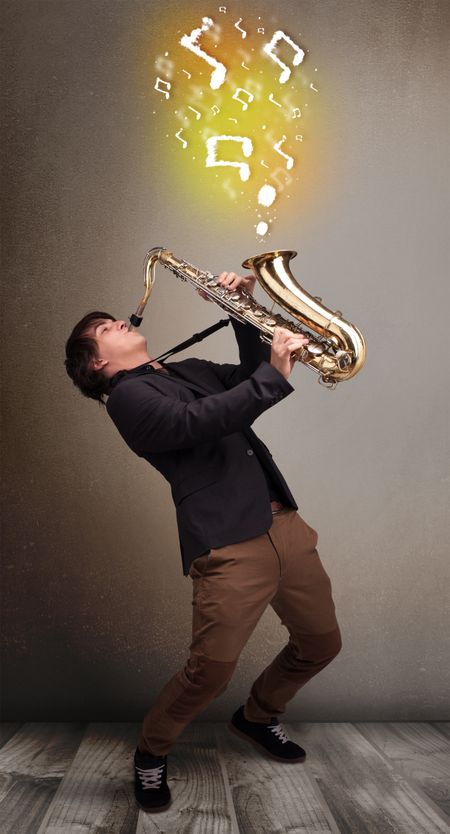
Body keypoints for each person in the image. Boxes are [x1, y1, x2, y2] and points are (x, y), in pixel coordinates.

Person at [64, 269, 342, 813]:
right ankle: (151, 751)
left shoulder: (186, 368)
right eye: (102, 328)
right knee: (209, 672)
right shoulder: (127, 399)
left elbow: (245, 377)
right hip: (228, 544)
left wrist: (243, 307)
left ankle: (258, 716)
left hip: (283, 523)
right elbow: (199, 422)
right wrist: (273, 376)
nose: (115, 320)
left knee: (322, 644)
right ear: (96, 362)